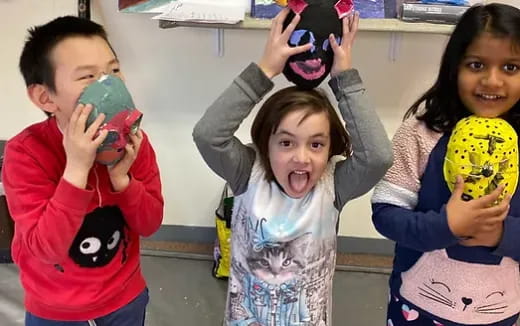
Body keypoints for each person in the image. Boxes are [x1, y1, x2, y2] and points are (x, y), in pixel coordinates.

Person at [193, 9, 393, 325]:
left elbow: (379, 157)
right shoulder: (247, 172)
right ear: (265, 144)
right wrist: (264, 70)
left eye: (316, 144)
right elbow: (208, 135)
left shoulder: (334, 186)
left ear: (330, 149)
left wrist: (344, 77)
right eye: (286, 143)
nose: (301, 157)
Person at [2, 16, 163, 325]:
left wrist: (122, 180)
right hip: (54, 308)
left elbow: (150, 223)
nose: (109, 85)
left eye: (114, 71)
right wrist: (76, 169)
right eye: (88, 76)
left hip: (123, 298)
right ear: (45, 97)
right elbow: (44, 249)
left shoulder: (135, 144)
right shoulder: (25, 153)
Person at [371, 4, 520, 326]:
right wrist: (446, 225)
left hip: (497, 312)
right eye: (477, 64)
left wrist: (501, 234)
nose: (492, 81)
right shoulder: (420, 132)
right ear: (454, 68)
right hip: (416, 307)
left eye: (511, 67)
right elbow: (385, 213)